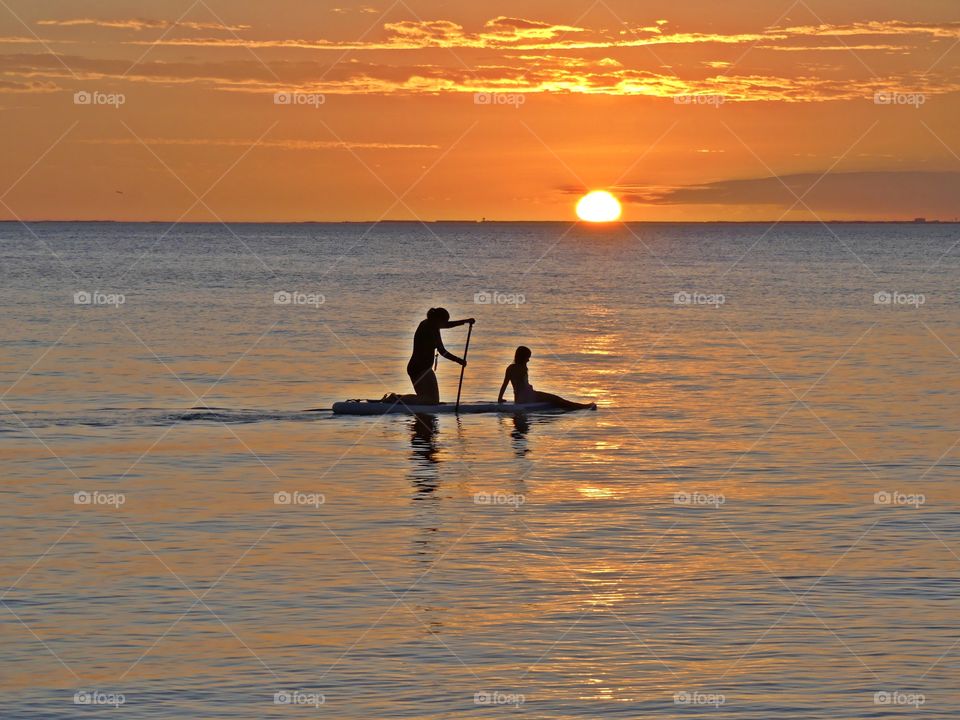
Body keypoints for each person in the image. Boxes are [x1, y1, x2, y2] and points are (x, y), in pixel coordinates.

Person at [403, 308, 474, 404]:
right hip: (420, 369)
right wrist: (459, 361)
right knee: (431, 400)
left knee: (427, 399)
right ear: (438, 320)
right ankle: (395, 399)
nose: (444, 325)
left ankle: (396, 399)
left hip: (420, 368)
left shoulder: (427, 323)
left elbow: (447, 325)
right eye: (444, 321)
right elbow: (443, 352)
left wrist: (465, 321)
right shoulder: (430, 330)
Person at [497, 346, 595, 410]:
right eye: (527, 357)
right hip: (529, 397)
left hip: (519, 399)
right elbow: (524, 386)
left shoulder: (510, 368)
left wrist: (500, 398)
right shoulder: (523, 368)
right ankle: (583, 407)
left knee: (555, 399)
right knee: (557, 399)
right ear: (522, 357)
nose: (529, 359)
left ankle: (582, 407)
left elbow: (504, 384)